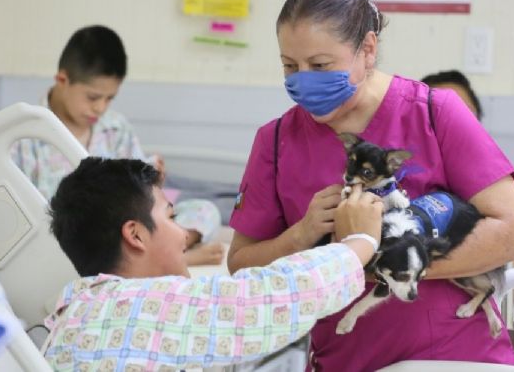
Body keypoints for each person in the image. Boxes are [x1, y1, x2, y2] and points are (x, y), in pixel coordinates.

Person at [227, 0, 514, 371]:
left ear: (367, 49)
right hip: (344, 359)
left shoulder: (434, 114)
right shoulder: (275, 142)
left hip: (453, 356)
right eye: (290, 66)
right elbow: (241, 264)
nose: (303, 80)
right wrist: (300, 236)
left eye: (320, 66)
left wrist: (378, 259)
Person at [42, 157, 384, 371]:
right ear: (136, 235)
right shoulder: (147, 306)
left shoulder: (75, 311)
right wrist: (360, 242)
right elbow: (272, 296)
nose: (181, 234)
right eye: (171, 217)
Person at [9, 25, 223, 266]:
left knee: (205, 211)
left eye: (109, 98)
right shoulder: (25, 136)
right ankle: (175, 256)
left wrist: (153, 181)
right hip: (63, 240)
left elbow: (140, 194)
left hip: (124, 232)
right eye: (92, 97)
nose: (100, 108)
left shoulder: (116, 128)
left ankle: (164, 253)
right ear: (62, 80)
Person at [421, 69, 514, 270]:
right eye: (436, 116)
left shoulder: (511, 189)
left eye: (463, 115)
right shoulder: (404, 186)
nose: (451, 125)